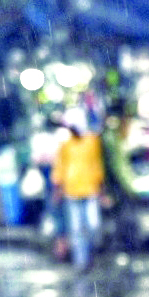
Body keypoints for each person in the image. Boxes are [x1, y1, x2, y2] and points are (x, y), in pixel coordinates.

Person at [51, 108, 106, 272]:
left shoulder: (92, 141)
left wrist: (102, 190)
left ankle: (90, 255)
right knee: (76, 229)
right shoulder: (65, 144)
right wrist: (57, 189)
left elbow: (97, 165)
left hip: (90, 190)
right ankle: (81, 262)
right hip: (71, 191)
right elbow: (60, 167)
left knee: (92, 225)